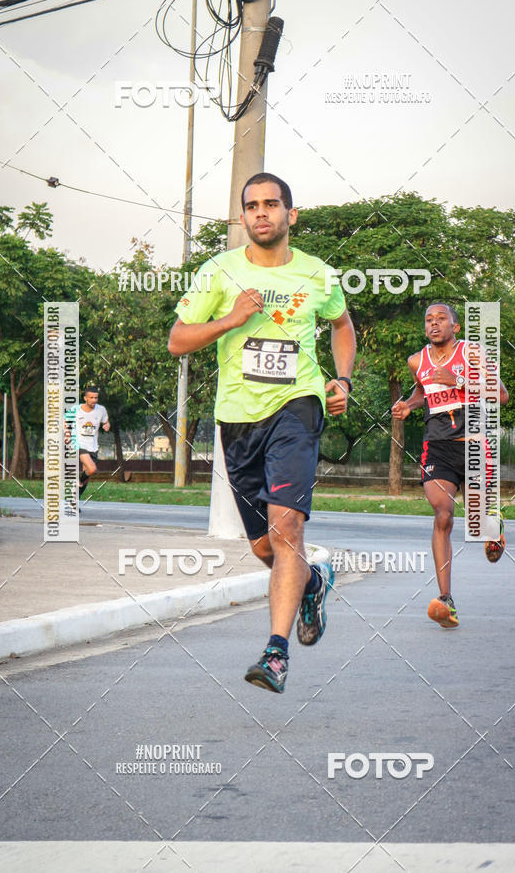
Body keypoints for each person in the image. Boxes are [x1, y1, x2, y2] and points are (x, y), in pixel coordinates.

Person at [168, 172, 356, 693]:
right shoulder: (218, 272)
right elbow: (178, 341)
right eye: (251, 206)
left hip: (297, 405)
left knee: (287, 527)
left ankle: (276, 653)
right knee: (266, 548)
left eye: (272, 204)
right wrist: (229, 320)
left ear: (290, 215)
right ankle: (313, 580)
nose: (261, 213)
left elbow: (342, 325)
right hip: (238, 419)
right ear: (243, 217)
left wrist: (339, 379)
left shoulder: (318, 274)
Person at [391, 303, 508, 628]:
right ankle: (446, 600)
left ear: (455, 327)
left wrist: (458, 379)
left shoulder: (472, 353)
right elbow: (423, 391)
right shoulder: (418, 361)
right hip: (437, 447)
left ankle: (492, 524)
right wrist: (409, 406)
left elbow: (500, 394)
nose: (434, 324)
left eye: (441, 319)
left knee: (476, 519)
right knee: (443, 516)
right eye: (429, 319)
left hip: (471, 443)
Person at [74, 387, 110, 499]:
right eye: (91, 398)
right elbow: (66, 421)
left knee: (88, 475)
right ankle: (78, 482)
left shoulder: (101, 410)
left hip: (93, 447)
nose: (94, 400)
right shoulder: (76, 409)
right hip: (79, 444)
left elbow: (106, 422)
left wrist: (106, 425)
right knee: (92, 469)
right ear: (85, 398)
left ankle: (75, 500)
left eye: (96, 398)